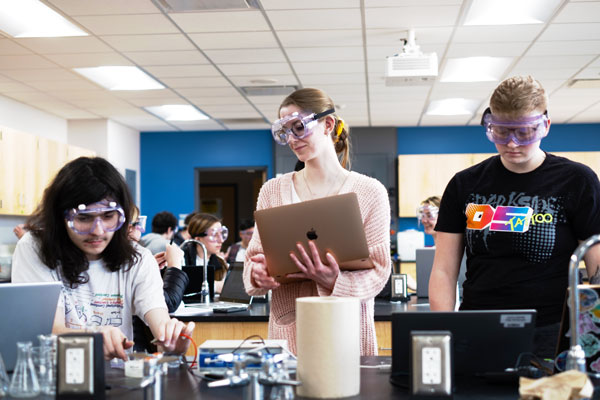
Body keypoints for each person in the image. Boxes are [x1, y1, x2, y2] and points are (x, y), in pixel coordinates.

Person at [429, 75, 600, 358]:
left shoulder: (576, 181)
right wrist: (442, 331)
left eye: (524, 132)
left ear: (545, 125)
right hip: (478, 326)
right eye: (501, 131)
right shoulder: (465, 184)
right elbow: (444, 270)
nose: (511, 143)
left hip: (554, 331)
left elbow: (596, 268)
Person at [242, 88, 391, 355]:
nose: (292, 139)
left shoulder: (370, 192)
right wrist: (258, 275)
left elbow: (379, 271)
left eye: (298, 127)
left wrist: (335, 280)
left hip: (346, 331)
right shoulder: (272, 191)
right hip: (290, 335)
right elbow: (254, 258)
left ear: (328, 124)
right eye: (285, 131)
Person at [11, 157, 194, 360]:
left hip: (119, 380)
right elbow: (49, 329)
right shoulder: (35, 248)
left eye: (108, 216)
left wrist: (171, 339)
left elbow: (159, 320)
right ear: (59, 217)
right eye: (83, 218)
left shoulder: (138, 258)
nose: (97, 231)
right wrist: (92, 338)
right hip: (55, 377)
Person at [128, 205, 189, 352]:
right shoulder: (149, 251)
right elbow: (169, 303)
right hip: (133, 348)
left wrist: (148, 269)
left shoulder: (142, 252)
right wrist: (174, 265)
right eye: (136, 224)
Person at [182, 213, 229, 294]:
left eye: (222, 234)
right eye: (214, 235)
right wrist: (214, 286)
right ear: (198, 239)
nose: (221, 240)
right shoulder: (182, 260)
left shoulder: (221, 263)